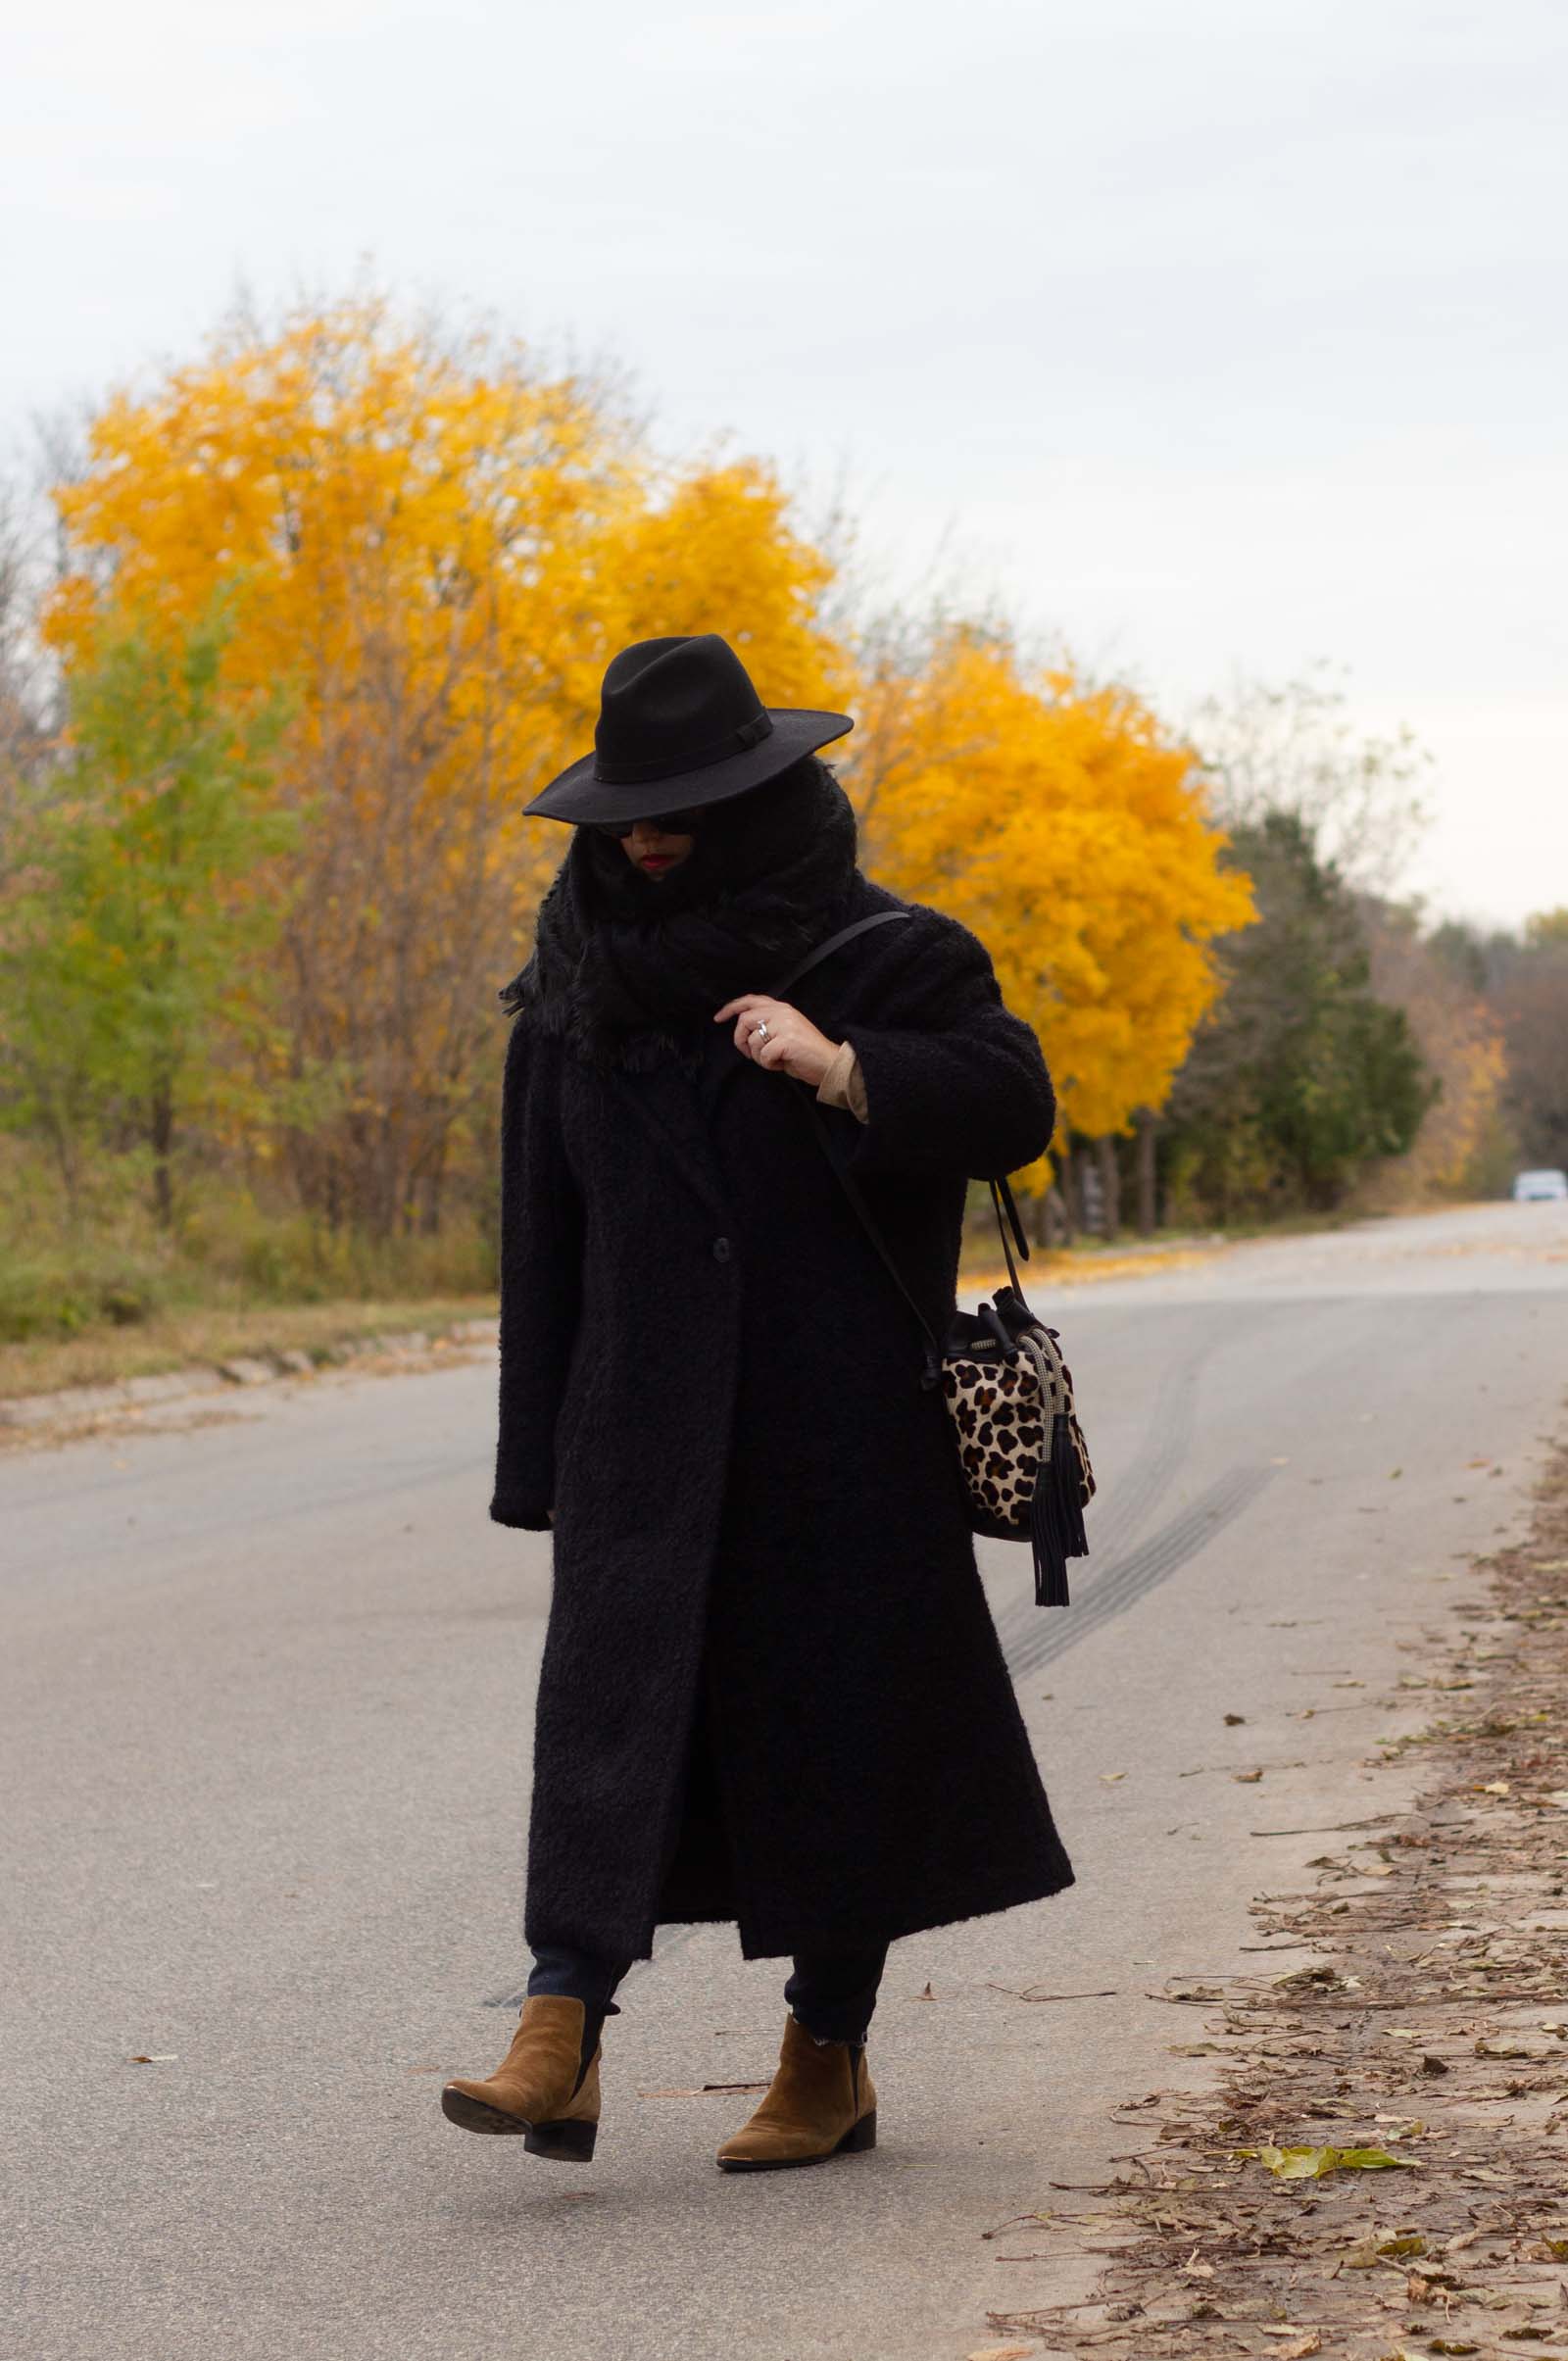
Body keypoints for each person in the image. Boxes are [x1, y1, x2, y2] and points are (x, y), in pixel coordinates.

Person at [441, 633, 1074, 2173]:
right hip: (639, 1434)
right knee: (610, 1728)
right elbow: (549, 1246)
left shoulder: (887, 957)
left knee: (831, 1743)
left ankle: (827, 2052)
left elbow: (1013, 1102)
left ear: (768, 796)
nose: (649, 835)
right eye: (629, 810)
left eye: (690, 805)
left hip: (840, 1431)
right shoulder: (574, 996)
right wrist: (544, 1464)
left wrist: (847, 1068)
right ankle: (560, 2025)